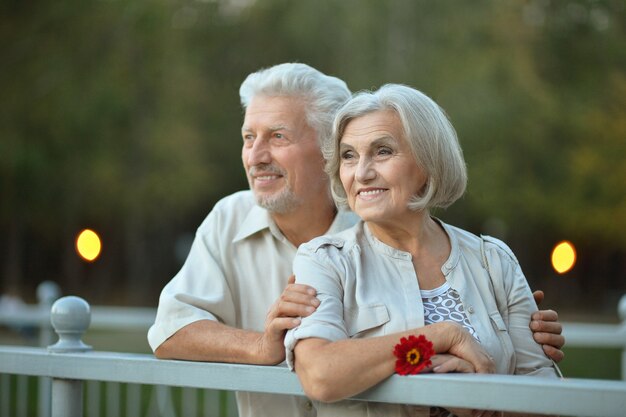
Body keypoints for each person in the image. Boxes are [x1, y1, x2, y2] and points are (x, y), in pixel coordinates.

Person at [147, 64, 564, 417]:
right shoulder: (318, 253)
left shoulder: (487, 257)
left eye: (277, 136)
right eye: (247, 137)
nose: (255, 156)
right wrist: (261, 345)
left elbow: (542, 391)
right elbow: (171, 331)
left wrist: (495, 369)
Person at [285, 84, 559, 417]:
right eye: (348, 155)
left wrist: (481, 406)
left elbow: (546, 395)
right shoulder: (325, 260)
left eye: (383, 151)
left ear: (428, 162)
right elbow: (320, 375)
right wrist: (438, 337)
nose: (362, 173)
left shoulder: (493, 260)